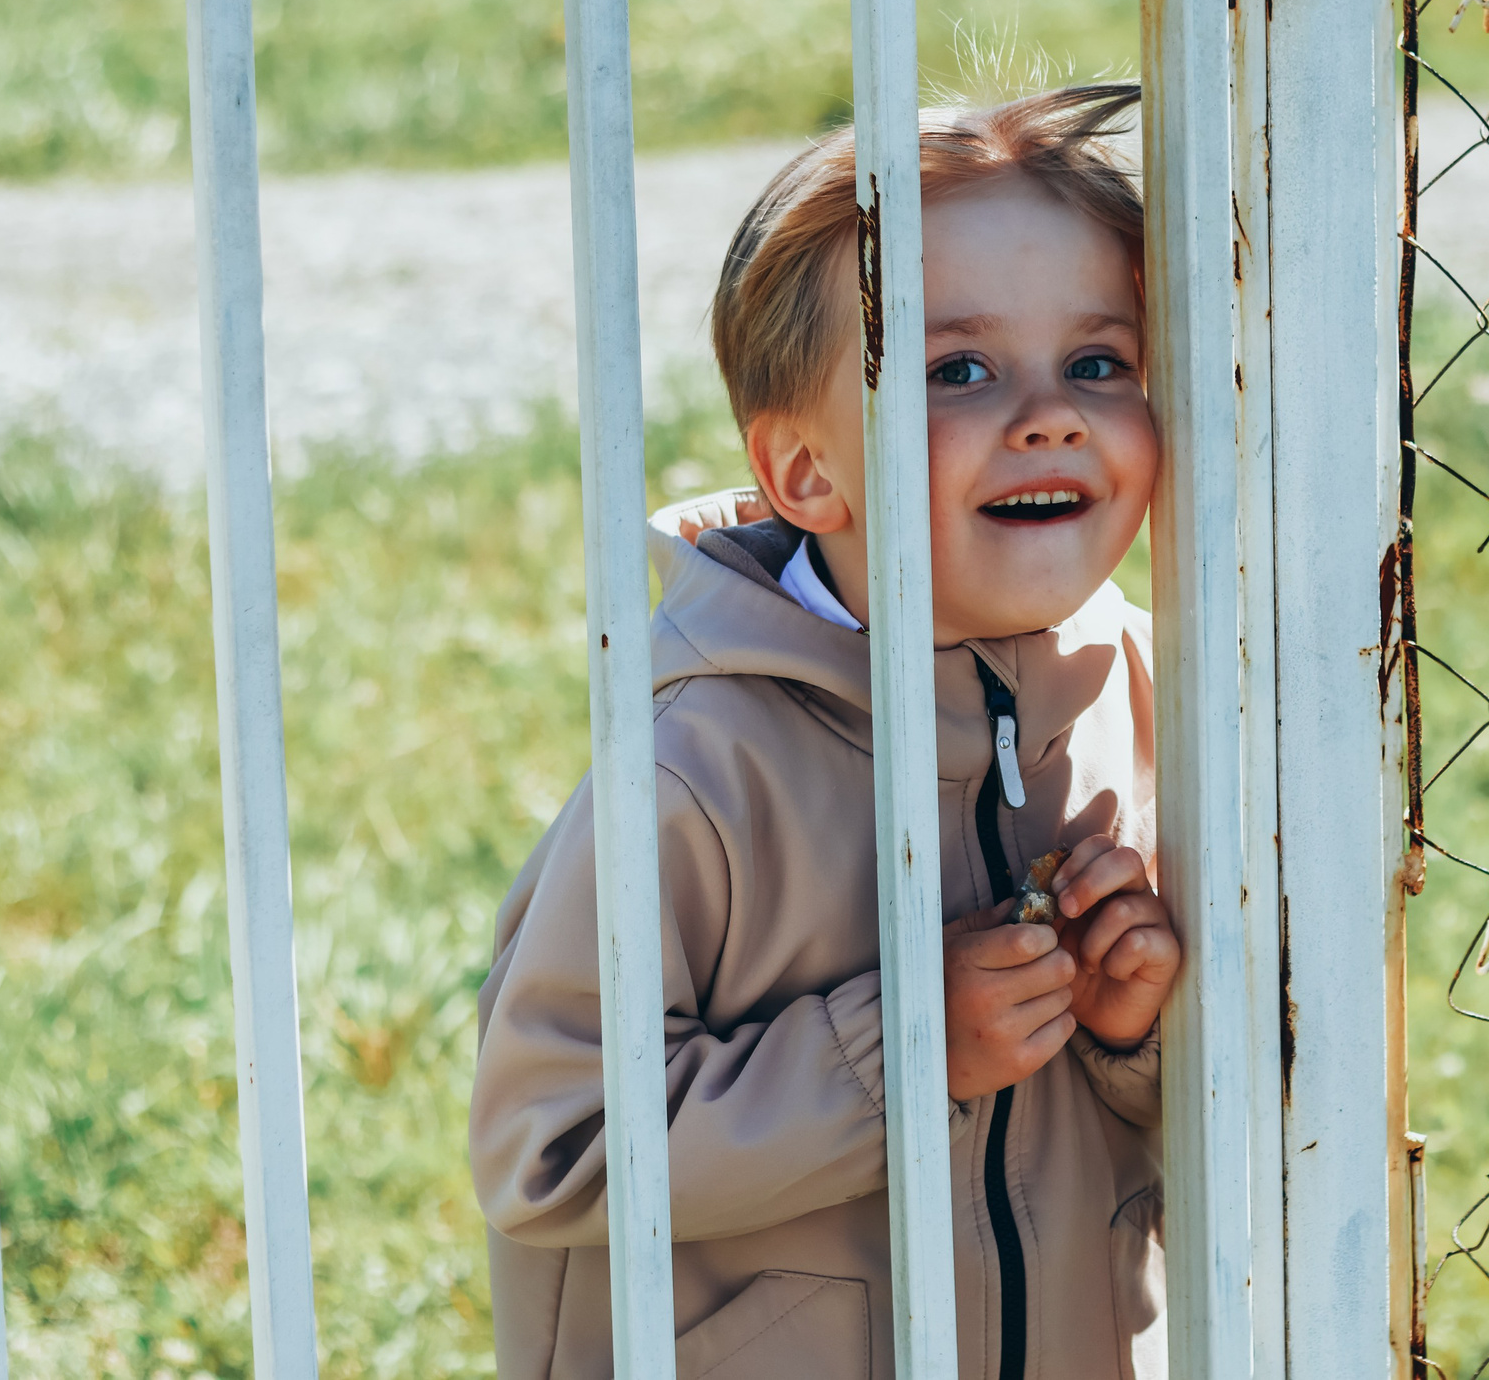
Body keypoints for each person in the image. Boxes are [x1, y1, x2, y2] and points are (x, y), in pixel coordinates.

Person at [469, 85, 1180, 1380]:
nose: (1051, 413)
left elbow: (1223, 1127)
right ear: (804, 474)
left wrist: (1135, 1036)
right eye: (956, 369)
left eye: (1100, 362)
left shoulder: (1144, 692)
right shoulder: (699, 766)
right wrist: (904, 1060)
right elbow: (550, 1141)